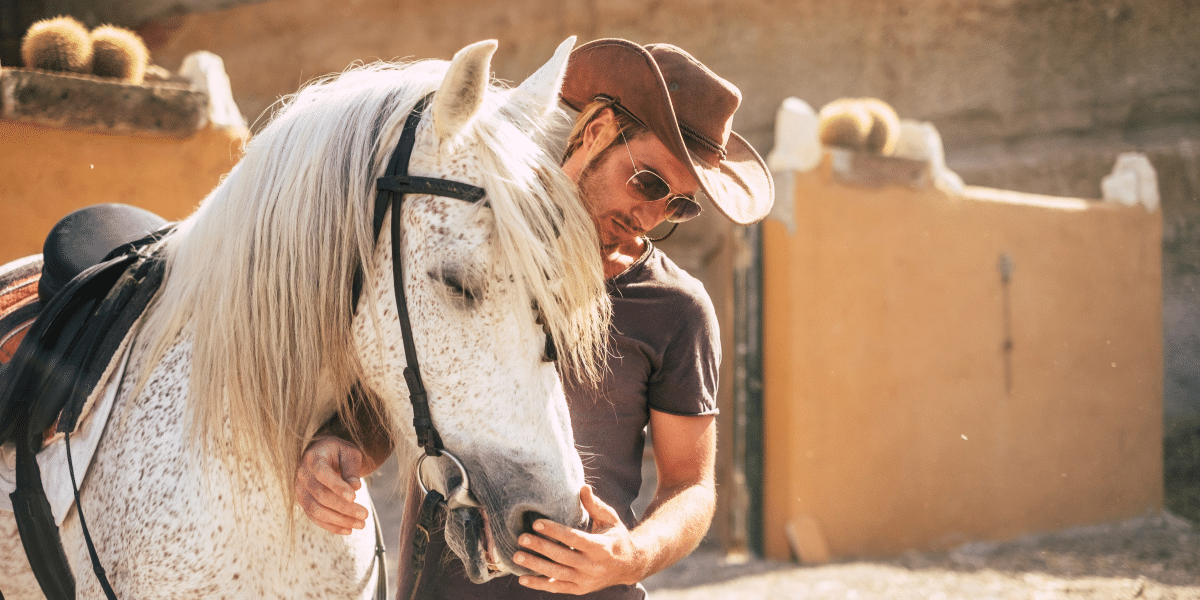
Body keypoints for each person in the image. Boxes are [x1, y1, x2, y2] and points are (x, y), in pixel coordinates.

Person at [294, 38, 773, 598]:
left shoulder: (675, 306)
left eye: (677, 205)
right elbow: (410, 390)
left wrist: (633, 555)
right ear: (594, 132)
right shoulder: (476, 249)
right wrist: (343, 446)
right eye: (649, 183)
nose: (651, 216)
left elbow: (690, 484)